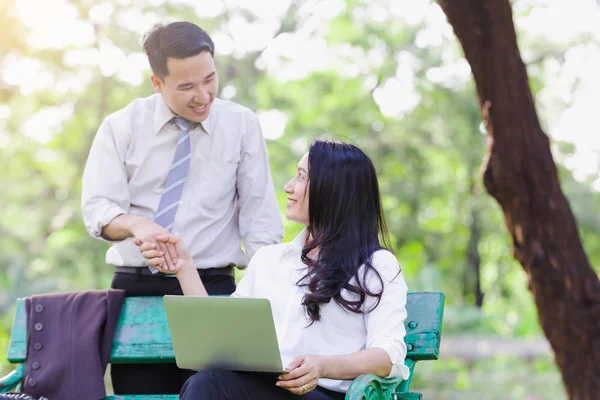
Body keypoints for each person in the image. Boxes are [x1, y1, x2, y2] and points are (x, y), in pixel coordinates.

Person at [81, 21, 283, 395]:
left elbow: (261, 225)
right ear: (157, 83)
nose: (203, 96)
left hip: (215, 288)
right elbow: (97, 206)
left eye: (209, 79)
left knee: (217, 392)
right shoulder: (121, 126)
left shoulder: (241, 125)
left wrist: (269, 297)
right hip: (137, 290)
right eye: (187, 86)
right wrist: (135, 225)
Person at [139, 139, 410, 399]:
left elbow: (388, 356)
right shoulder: (269, 260)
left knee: (209, 385)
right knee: (207, 381)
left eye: (302, 177)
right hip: (263, 389)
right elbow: (222, 339)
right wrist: (185, 267)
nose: (289, 187)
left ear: (332, 189)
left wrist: (323, 366)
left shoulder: (376, 265)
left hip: (326, 393)